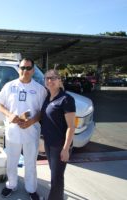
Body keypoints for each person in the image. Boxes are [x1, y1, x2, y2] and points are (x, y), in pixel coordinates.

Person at [0, 58, 47, 200]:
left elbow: (43, 111)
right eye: (22, 67)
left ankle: (31, 189)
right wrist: (9, 114)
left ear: (33, 70)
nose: (25, 71)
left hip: (31, 131)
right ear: (19, 69)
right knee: (12, 160)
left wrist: (31, 121)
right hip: (13, 131)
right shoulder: (9, 86)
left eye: (28, 68)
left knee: (30, 162)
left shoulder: (39, 89)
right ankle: (11, 185)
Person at [40, 69, 75, 200]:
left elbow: (71, 127)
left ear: (60, 80)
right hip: (49, 143)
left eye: (53, 78)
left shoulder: (66, 99)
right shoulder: (48, 98)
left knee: (57, 177)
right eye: (47, 78)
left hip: (60, 145)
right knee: (54, 174)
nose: (50, 81)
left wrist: (65, 149)